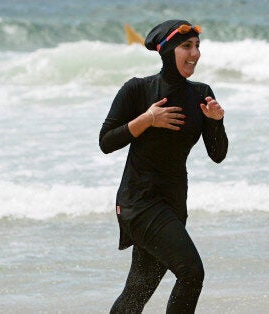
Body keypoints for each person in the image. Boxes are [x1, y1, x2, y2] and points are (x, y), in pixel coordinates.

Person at [99, 19, 228, 313]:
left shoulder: (200, 93)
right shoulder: (138, 89)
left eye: (197, 46)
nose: (194, 53)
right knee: (191, 273)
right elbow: (106, 141)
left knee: (137, 291)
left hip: (172, 204)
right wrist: (147, 120)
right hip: (139, 201)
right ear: (167, 50)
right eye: (186, 46)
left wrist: (216, 123)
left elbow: (217, 154)